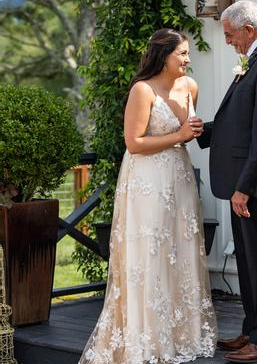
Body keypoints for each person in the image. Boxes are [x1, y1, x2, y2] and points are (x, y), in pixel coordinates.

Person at [79, 28, 217, 364]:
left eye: (187, 53)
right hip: (147, 180)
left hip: (179, 177)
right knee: (152, 251)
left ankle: (183, 332)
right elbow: (134, 143)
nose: (187, 59)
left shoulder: (191, 87)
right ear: (163, 55)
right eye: (181, 53)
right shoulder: (142, 90)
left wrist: (190, 132)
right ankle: (149, 337)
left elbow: (186, 133)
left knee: (180, 248)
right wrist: (180, 134)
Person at [197, 0, 257, 362]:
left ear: (248, 31)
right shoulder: (256, 59)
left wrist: (245, 187)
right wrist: (203, 130)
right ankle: (253, 329)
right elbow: (241, 120)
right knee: (250, 262)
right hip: (243, 183)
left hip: (254, 186)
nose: (227, 41)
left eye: (228, 34)